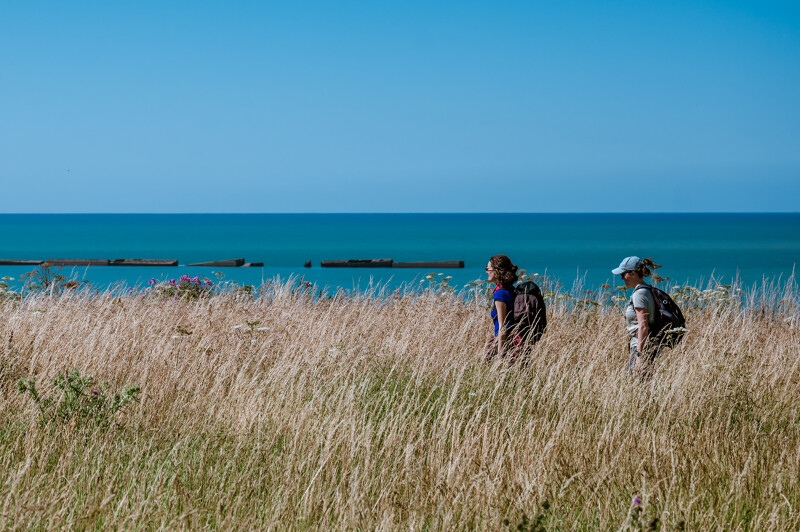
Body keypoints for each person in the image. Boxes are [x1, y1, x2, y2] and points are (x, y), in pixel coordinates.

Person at [612, 256, 661, 378]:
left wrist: (639, 355)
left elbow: (643, 326)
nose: (622, 278)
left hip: (641, 347)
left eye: (623, 274)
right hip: (648, 345)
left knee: (634, 384)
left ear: (633, 273)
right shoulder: (646, 289)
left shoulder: (639, 294)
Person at [485, 254, 519, 361]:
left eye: (488, 269)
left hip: (506, 344)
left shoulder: (500, 294)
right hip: (515, 342)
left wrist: (500, 355)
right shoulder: (511, 289)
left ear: (496, 271)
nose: (486, 271)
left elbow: (502, 326)